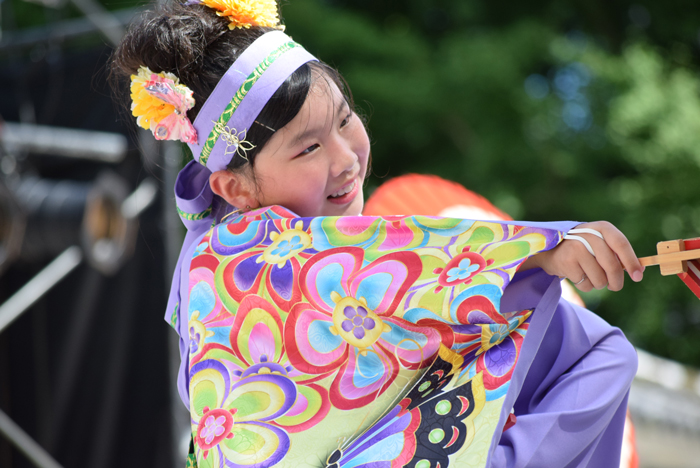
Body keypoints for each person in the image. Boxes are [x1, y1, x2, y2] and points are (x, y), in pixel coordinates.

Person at [110, 1, 643, 466]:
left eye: (344, 121)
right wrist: (542, 252)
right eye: (308, 148)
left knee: (594, 348)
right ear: (234, 188)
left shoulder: (217, 268)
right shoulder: (231, 261)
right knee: (597, 349)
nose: (345, 159)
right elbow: (394, 263)